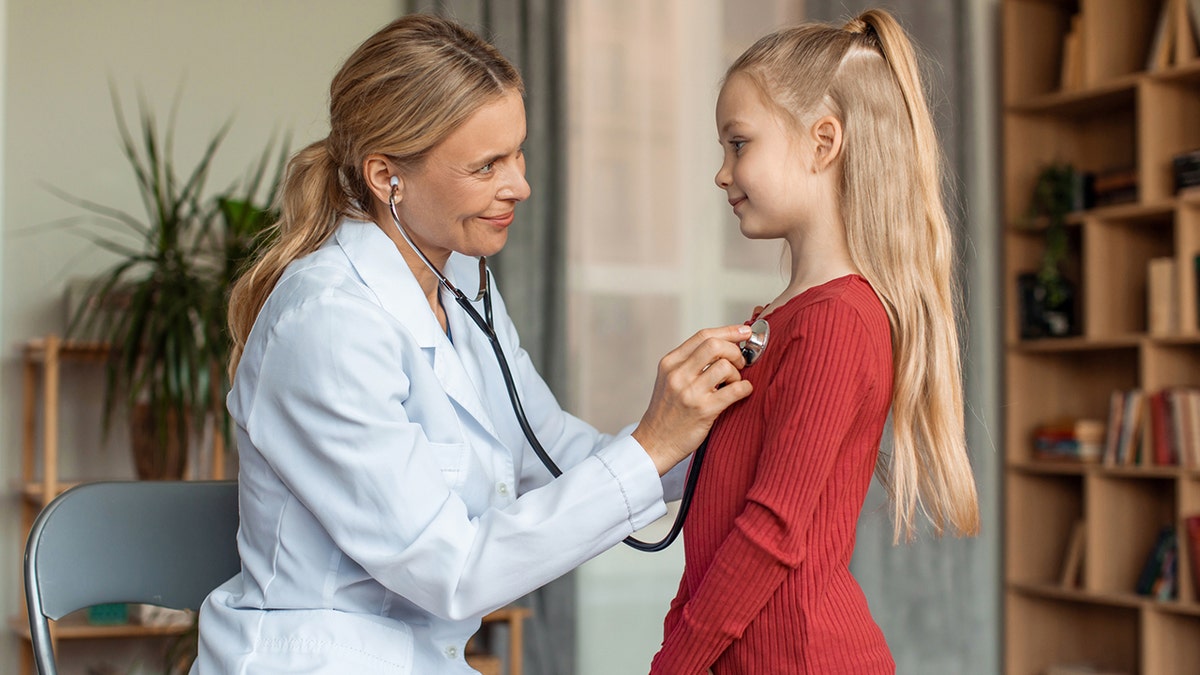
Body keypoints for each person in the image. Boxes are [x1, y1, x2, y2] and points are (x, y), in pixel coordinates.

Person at [191, 14, 754, 674]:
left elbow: (549, 451)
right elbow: (451, 570)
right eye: (486, 165)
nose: (519, 185)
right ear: (385, 176)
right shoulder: (328, 323)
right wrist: (652, 442)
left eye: (516, 153)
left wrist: (710, 434)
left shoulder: (460, 281)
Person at [649, 9, 981, 675]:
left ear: (823, 143)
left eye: (738, 144)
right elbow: (721, 517)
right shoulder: (780, 318)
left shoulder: (836, 323)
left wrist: (676, 662)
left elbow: (771, 531)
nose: (722, 173)